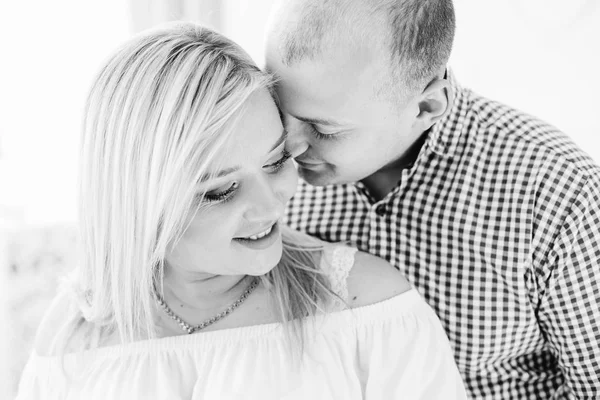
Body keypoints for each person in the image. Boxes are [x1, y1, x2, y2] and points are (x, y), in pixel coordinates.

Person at [15, 23, 466, 399]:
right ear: (136, 201)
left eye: (275, 162)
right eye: (221, 191)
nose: (273, 202)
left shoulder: (365, 309)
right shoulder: (74, 333)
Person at [264, 0, 600, 399]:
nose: (290, 145)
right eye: (280, 111)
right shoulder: (257, 166)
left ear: (426, 106)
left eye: (323, 129)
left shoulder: (556, 194)